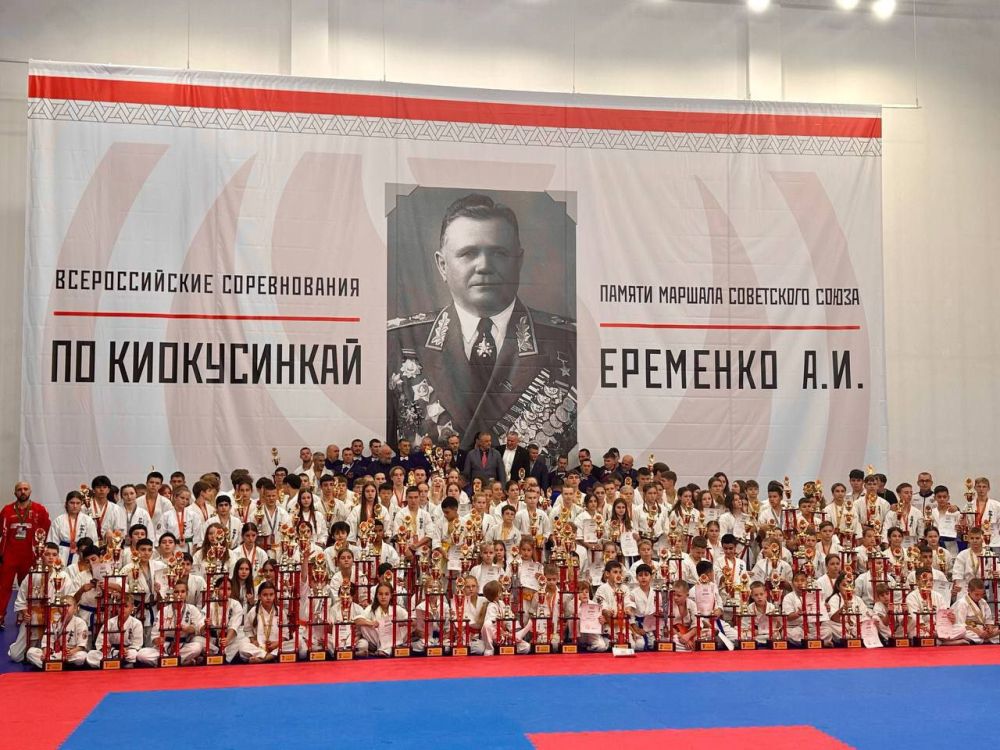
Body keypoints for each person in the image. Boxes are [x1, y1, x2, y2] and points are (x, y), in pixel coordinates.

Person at [386, 193, 576, 456]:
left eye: (499, 253)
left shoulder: (569, 342)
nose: (484, 266)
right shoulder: (398, 342)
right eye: (468, 253)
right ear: (442, 265)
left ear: (519, 261)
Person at [0, 481, 51, 628]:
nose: (22, 491)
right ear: (15, 492)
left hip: (30, 555)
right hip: (9, 555)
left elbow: (46, 532)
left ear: (30, 491)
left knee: (29, 587)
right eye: (19, 489)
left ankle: (24, 614)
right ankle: (0, 615)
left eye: (25, 489)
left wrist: (42, 553)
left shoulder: (39, 510)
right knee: (3, 587)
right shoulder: (7, 510)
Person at [137, 580, 205, 666]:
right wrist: (157, 640)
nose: (179, 594)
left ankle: (166, 661)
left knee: (197, 647)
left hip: (182, 646)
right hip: (164, 647)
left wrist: (190, 629)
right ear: (173, 594)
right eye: (176, 592)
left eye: (183, 592)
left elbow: (200, 627)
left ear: (187, 593)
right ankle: (179, 661)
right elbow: (154, 635)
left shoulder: (192, 609)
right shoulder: (164, 610)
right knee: (141, 654)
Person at [86, 595, 144, 668]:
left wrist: (126, 650)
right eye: (120, 606)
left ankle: (114, 663)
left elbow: (137, 644)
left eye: (126, 606)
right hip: (111, 652)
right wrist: (105, 648)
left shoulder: (136, 623)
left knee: (134, 654)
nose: (122, 609)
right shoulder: (109, 622)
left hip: (127, 652)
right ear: (117, 608)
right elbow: (100, 642)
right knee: (91, 654)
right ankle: (120, 664)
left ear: (132, 607)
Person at [48, 490, 97, 566]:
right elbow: (52, 543)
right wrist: (54, 557)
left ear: (81, 504)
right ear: (66, 504)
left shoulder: (88, 521)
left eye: (78, 503)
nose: (75, 506)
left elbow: (93, 542)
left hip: (81, 554)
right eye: (72, 503)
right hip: (62, 554)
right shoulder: (58, 520)